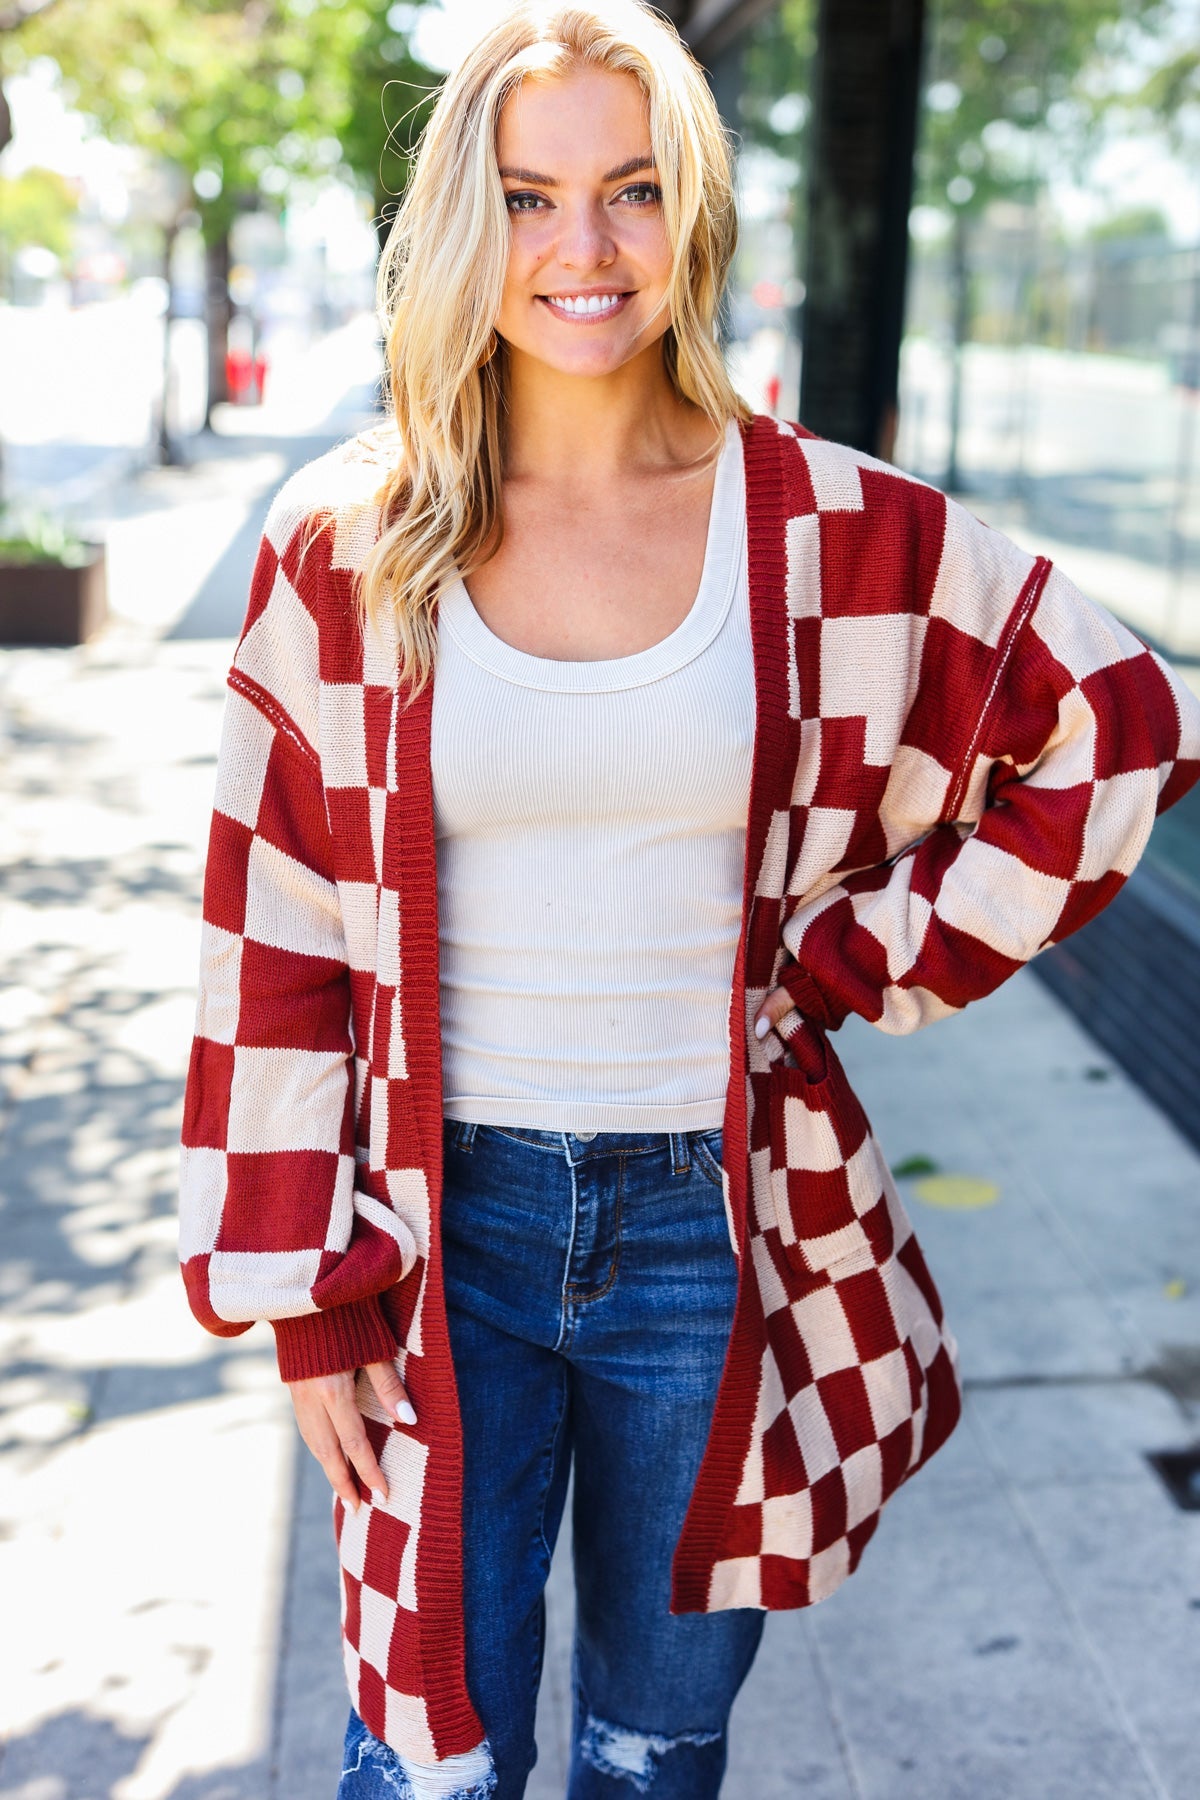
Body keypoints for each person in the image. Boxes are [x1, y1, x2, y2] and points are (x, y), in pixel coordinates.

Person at [177, 3, 1200, 1796]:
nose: (585, 249)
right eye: (531, 195)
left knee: (656, 1750)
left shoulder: (824, 527)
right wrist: (308, 1299)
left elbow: (1120, 723)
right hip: (442, 1239)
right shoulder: (350, 547)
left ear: (696, 216)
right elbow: (273, 931)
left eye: (633, 191)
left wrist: (865, 953)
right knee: (431, 1758)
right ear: (462, 226)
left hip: (710, 1239)